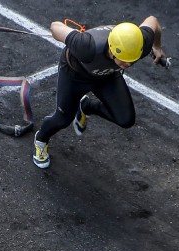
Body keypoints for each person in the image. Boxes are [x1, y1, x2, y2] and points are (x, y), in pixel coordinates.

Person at [32, 17, 167, 168]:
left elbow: (153, 21)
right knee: (62, 119)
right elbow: (55, 25)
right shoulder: (86, 46)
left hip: (107, 75)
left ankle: (87, 106)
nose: (128, 64)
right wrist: (73, 37)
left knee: (126, 119)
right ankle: (41, 140)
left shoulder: (141, 43)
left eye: (131, 60)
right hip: (75, 76)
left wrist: (157, 47)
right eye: (123, 60)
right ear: (111, 49)